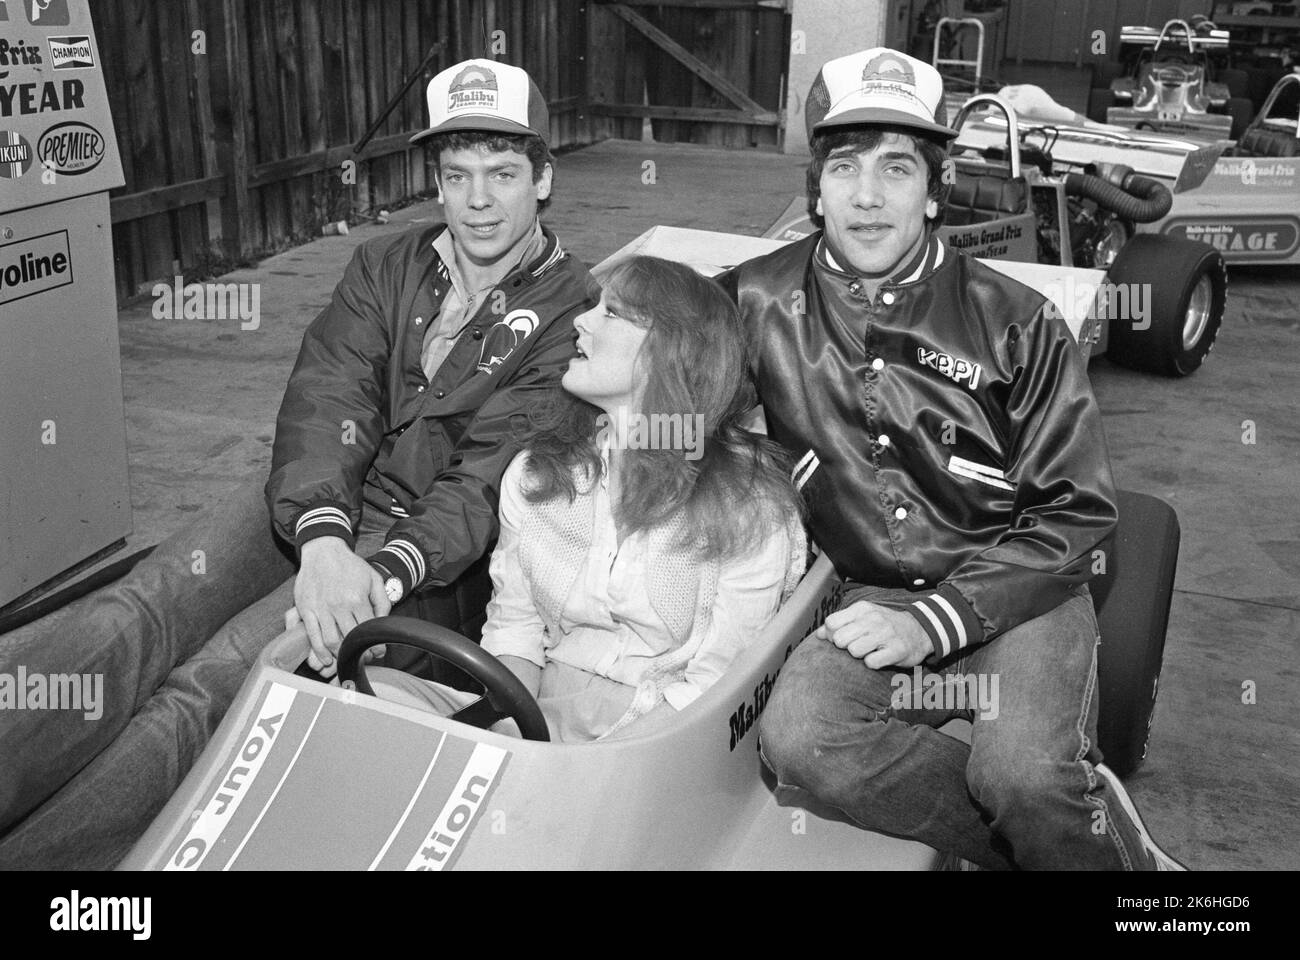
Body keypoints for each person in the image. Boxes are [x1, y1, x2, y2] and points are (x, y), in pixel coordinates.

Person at [0, 58, 599, 869]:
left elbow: (487, 482)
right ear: (436, 181)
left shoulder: (573, 310)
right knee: (139, 606)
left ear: (544, 178)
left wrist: (376, 571)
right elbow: (327, 398)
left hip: (424, 562)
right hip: (320, 500)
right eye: (457, 175)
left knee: (217, 683)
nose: (479, 200)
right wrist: (320, 538)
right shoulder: (387, 264)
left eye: (502, 173)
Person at [717, 48, 1185, 870]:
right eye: (845, 168)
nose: (867, 197)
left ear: (933, 192)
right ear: (815, 189)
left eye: (897, 169)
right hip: (866, 591)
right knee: (800, 741)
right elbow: (654, 364)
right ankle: (1044, 841)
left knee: (1019, 772)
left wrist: (934, 623)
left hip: (1022, 593)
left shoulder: (1019, 320)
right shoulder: (751, 298)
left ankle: (1109, 855)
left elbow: (1076, 512)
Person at [370, 256, 806, 742]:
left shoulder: (749, 503)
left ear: (674, 348)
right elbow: (516, 630)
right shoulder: (536, 475)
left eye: (612, 312)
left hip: (662, 734)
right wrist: (510, 732)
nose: (581, 320)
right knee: (367, 697)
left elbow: (721, 681)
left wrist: (589, 768)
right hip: (537, 708)